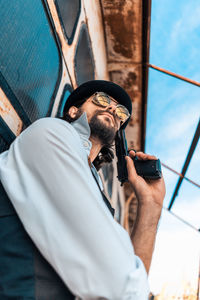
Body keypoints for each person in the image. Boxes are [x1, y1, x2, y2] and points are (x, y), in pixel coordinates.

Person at [0, 80, 165, 299]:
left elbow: (130, 283)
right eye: (102, 99)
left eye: (120, 112)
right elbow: (121, 287)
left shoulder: (96, 185)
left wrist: (151, 205)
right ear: (73, 110)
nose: (111, 109)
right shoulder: (52, 132)